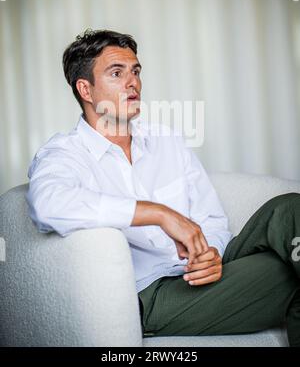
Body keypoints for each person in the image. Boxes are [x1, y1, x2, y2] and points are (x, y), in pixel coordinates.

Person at [27, 29, 300, 346]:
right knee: (286, 272)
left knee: (290, 208)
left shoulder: (165, 141)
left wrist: (209, 252)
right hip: (154, 293)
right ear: (85, 89)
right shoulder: (65, 153)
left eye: (136, 71)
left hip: (204, 271)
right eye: (117, 73)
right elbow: (48, 203)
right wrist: (158, 213)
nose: (133, 83)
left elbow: (211, 219)